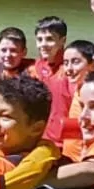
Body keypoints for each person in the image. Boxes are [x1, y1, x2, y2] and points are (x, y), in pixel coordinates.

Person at [26, 16, 75, 144]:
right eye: (39, 39)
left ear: (62, 40)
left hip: (64, 142)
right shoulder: (35, 68)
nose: (43, 44)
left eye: (49, 39)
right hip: (39, 140)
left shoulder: (71, 70)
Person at [60, 39, 94, 161]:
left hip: (82, 161)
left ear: (92, 65)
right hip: (69, 157)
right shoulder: (79, 89)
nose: (68, 69)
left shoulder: (93, 96)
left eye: (75, 62)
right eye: (65, 63)